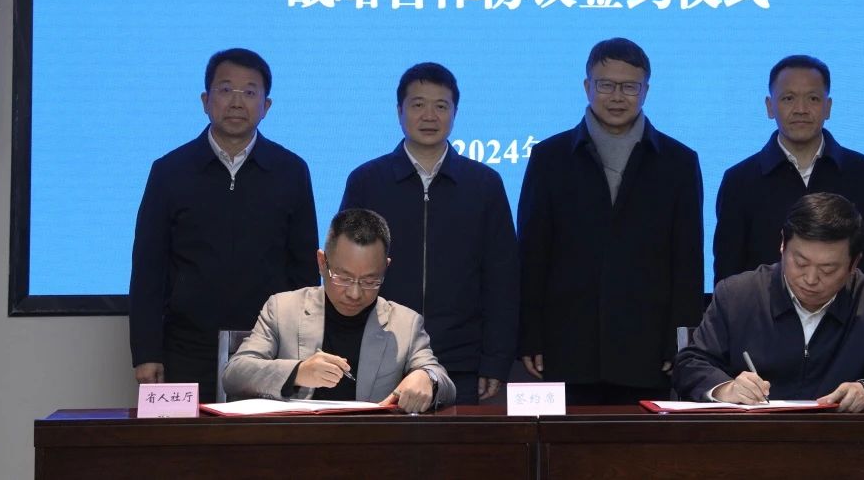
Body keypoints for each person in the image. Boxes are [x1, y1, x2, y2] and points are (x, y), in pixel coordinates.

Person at [518, 37, 704, 405]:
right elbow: (532, 254)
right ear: (587, 86)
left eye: (629, 86)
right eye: (606, 85)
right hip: (566, 345)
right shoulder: (549, 158)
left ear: (645, 90)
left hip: (647, 349)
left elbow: (688, 262)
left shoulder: (678, 162)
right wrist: (530, 335)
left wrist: (681, 342)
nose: (617, 96)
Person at [129, 48, 320, 400]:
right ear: (205, 101)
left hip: (269, 349)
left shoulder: (291, 171)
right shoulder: (170, 171)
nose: (236, 101)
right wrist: (146, 352)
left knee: (265, 437)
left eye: (249, 92)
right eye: (226, 89)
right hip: (185, 347)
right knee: (186, 437)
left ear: (266, 106)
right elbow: (148, 269)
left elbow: (304, 270)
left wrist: (304, 350)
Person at [339, 62, 518, 404]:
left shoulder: (484, 185)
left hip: (461, 361)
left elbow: (502, 279)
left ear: (455, 113)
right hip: (377, 356)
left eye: (441, 106)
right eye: (418, 104)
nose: (429, 116)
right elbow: (344, 272)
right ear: (399, 111)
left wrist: (495, 360)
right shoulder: (367, 181)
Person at [675, 192, 864, 412]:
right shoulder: (737, 295)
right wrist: (726, 389)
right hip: (753, 438)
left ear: (854, 263)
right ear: (783, 244)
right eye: (800, 263)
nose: (811, 279)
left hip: (842, 439)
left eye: (828, 269)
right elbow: (690, 365)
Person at [713, 54, 864, 307]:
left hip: (854, 326)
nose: (801, 109)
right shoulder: (740, 181)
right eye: (788, 98)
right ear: (770, 106)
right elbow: (728, 279)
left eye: (813, 98)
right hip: (765, 327)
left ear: (828, 107)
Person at [223, 208, 456, 411]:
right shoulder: (283, 309)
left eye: (370, 281)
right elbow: (235, 374)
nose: (354, 293)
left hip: (370, 442)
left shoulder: (405, 324)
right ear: (322, 263)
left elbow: (444, 383)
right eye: (343, 278)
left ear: (385, 268)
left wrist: (428, 378)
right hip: (296, 441)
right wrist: (298, 372)